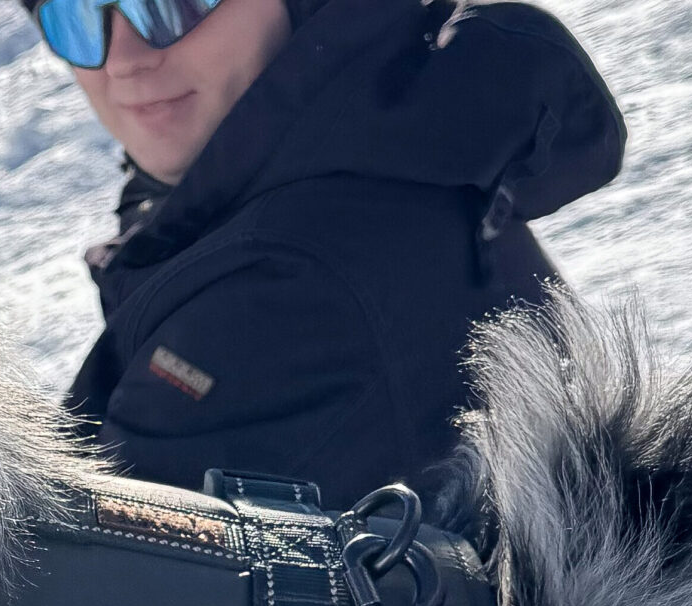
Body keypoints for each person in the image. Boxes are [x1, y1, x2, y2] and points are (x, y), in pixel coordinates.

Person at [37, 0, 624, 507]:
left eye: (176, 4)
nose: (124, 58)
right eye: (74, 18)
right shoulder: (379, 163)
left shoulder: (296, 283)